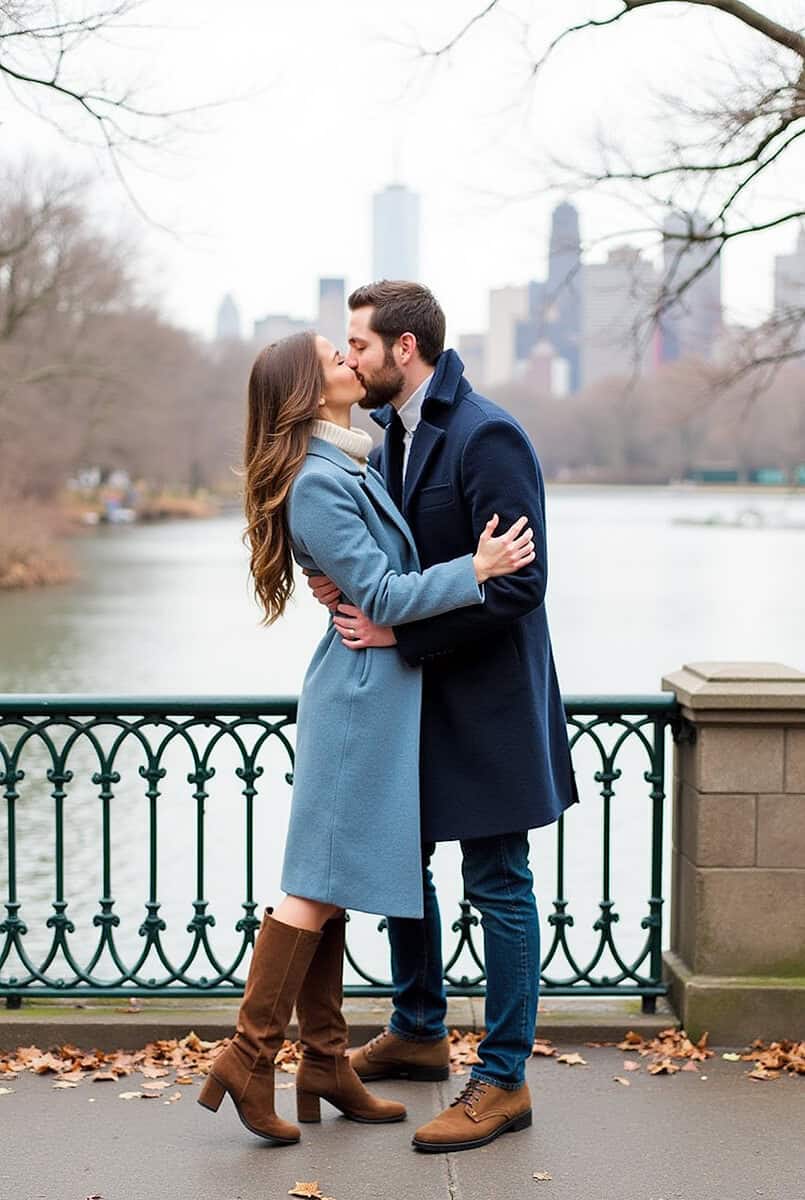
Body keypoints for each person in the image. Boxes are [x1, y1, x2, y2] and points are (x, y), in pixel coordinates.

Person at [197, 329, 535, 1146]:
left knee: (331, 879)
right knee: (315, 885)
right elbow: (381, 594)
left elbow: (373, 580)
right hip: (356, 702)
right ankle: (246, 1057)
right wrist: (475, 569)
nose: (351, 362)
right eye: (334, 357)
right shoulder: (320, 480)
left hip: (377, 695)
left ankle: (324, 1063)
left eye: (351, 348)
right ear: (307, 393)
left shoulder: (351, 461)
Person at [306, 281, 578, 1154]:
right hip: (415, 700)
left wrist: (399, 631)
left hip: (489, 704)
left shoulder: (485, 433)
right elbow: (392, 562)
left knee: (498, 881)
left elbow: (522, 586)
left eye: (358, 344)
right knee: (403, 862)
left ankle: (503, 1080)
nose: (350, 359)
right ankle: (419, 1030)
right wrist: (339, 584)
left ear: (405, 348)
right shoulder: (387, 434)